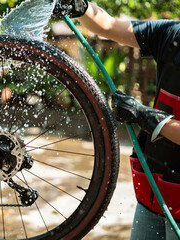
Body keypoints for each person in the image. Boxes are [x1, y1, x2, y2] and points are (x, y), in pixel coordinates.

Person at [53, 1, 180, 239]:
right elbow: (109, 26)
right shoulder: (172, 36)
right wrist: (81, 7)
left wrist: (149, 118)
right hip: (155, 190)